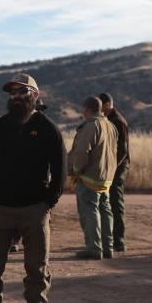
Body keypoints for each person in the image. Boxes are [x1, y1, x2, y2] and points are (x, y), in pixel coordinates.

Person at [0, 73, 66, 303]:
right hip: (1, 210)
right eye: (12, 93)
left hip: (35, 211)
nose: (15, 97)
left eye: (21, 92)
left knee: (37, 274)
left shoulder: (48, 130)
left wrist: (47, 205)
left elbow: (60, 173)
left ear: (34, 95)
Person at [68, 96, 117, 260]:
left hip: (90, 177)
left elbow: (82, 152)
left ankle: (94, 248)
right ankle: (107, 247)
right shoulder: (110, 125)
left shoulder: (91, 126)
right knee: (105, 211)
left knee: (90, 211)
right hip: (106, 178)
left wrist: (75, 170)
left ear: (88, 109)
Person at [98, 92, 130, 252]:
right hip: (110, 166)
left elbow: (123, 150)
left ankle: (119, 240)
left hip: (118, 166)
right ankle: (108, 238)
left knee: (115, 202)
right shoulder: (107, 120)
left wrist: (112, 167)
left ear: (107, 104)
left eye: (100, 105)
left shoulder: (118, 121)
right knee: (106, 202)